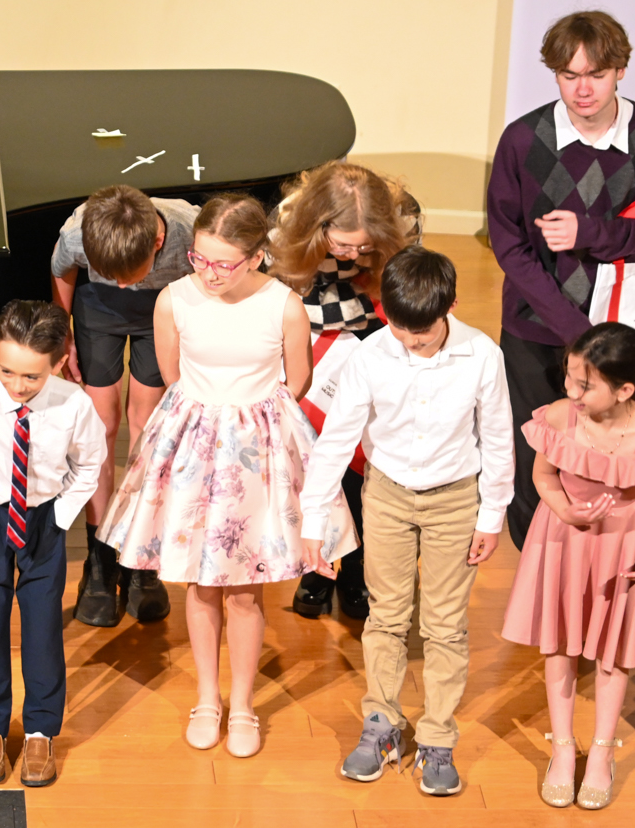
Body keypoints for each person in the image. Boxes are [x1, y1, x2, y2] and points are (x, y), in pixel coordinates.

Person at [100, 194, 357, 761]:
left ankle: (242, 704)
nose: (209, 273)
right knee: (201, 582)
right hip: (194, 444)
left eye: (223, 263)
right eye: (200, 259)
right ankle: (206, 699)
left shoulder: (284, 306)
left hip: (257, 450)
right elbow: (172, 374)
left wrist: (250, 421)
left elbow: (297, 380)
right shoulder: (173, 299)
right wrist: (211, 417)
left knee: (244, 588)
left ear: (257, 256)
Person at [298, 244, 514, 798]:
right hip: (388, 495)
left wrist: (492, 514)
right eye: (400, 330)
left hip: (455, 500)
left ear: (450, 307)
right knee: (386, 616)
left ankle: (438, 736)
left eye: (423, 333)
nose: (412, 342)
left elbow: (497, 439)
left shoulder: (482, 354)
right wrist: (312, 521)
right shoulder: (369, 354)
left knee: (445, 624)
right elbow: (336, 439)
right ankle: (382, 723)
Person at [486, 10, 635, 550]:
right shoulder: (523, 140)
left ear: (620, 71)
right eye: (569, 76)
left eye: (596, 74)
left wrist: (585, 232)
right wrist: (576, 332)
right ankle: (537, 561)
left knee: (613, 446)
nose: (583, 89)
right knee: (534, 447)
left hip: (615, 324)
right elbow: (509, 246)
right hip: (535, 326)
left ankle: (602, 557)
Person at [501, 323, 635, 810]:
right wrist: (565, 511)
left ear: (625, 390)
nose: (572, 391)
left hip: (621, 547)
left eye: (585, 385)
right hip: (563, 537)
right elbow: (543, 475)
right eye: (569, 378)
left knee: (612, 650)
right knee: (560, 642)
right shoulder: (561, 417)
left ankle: (603, 753)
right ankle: (563, 749)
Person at [0, 300, 105, 789]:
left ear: (59, 361)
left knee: (43, 628)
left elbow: (89, 464)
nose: (17, 385)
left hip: (44, 518)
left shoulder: (74, 403)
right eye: (7, 371)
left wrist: (63, 516)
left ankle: (39, 733)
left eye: (32, 376)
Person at [268, 160, 422, 621]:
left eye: (365, 245)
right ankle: (315, 567)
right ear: (317, 224)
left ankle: (356, 566)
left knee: (361, 458)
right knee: (311, 458)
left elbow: (403, 287)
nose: (354, 254)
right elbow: (280, 293)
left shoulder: (404, 217)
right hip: (308, 340)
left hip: (373, 336)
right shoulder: (286, 220)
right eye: (342, 244)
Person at [48, 184, 194, 626]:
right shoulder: (77, 232)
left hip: (160, 310)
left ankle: (140, 552)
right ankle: (101, 557)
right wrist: (63, 332)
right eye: (115, 273)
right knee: (102, 426)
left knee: (146, 425)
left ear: (158, 242)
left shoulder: (189, 229)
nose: (126, 283)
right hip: (99, 309)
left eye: (131, 274)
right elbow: (62, 270)